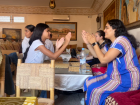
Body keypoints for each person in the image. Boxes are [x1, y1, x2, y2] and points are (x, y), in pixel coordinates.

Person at [82, 19, 140, 105]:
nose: (104, 30)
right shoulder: (111, 43)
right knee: (88, 81)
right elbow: (96, 55)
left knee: (95, 90)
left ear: (115, 29)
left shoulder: (122, 41)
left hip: (126, 80)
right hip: (114, 77)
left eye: (106, 28)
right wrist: (88, 43)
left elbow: (103, 59)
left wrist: (94, 42)